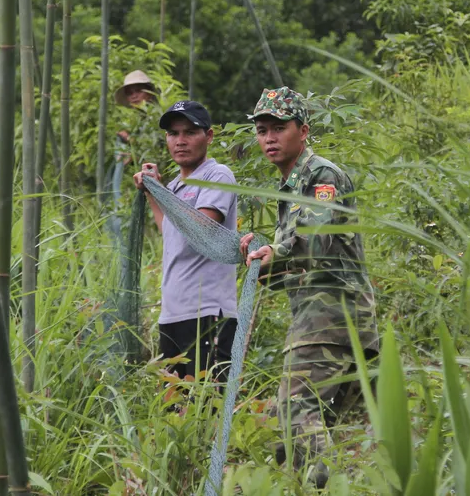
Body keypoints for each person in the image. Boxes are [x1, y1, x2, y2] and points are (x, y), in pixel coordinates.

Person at [238, 86, 379, 487]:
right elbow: (300, 262)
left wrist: (276, 252)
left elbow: (319, 240)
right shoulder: (290, 187)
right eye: (262, 129)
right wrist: (260, 263)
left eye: (279, 128)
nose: (268, 137)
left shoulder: (321, 175)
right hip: (328, 321)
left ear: (303, 130)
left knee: (295, 416)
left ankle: (325, 489)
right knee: (304, 432)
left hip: (330, 319)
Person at [134, 100, 239, 382]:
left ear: (209, 136)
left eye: (190, 132)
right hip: (172, 314)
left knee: (208, 407)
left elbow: (201, 229)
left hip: (207, 313)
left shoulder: (217, 176)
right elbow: (170, 230)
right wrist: (153, 191)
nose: (180, 141)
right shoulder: (175, 188)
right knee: (176, 408)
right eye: (173, 134)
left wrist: (162, 194)